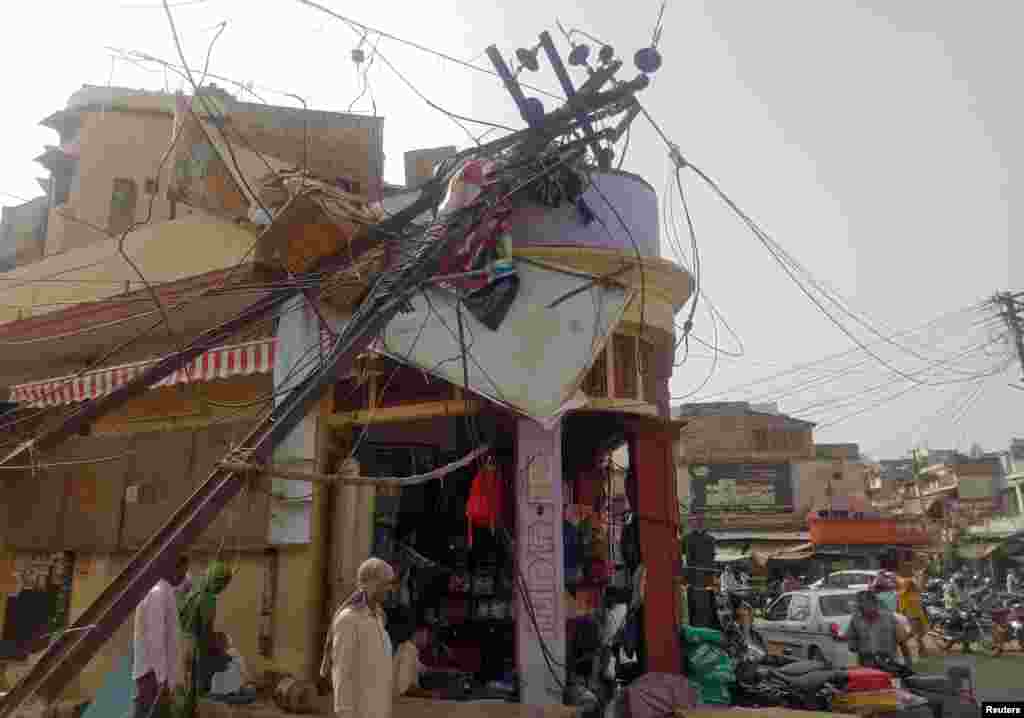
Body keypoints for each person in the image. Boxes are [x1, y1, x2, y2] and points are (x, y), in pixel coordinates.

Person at [321, 558, 399, 718]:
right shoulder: (349, 620)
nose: (390, 589)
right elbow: (341, 671)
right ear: (372, 584)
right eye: (386, 583)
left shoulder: (378, 619)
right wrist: (344, 713)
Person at [132, 554, 190, 718]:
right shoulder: (157, 592)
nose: (183, 576)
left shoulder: (165, 590)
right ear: (171, 568)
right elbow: (155, 638)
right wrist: (161, 677)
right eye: (182, 571)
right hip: (152, 674)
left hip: (156, 674)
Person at [179, 560, 234, 716]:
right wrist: (217, 652)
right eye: (223, 584)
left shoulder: (193, 590)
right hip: (192, 646)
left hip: (178, 642)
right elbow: (205, 633)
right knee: (191, 690)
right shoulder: (208, 599)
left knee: (181, 689)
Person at [845, 591, 902, 669]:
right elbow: (852, 646)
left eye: (865, 602)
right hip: (867, 664)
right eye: (859, 603)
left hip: (889, 663)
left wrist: (908, 663)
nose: (861, 606)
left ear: (875, 602)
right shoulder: (855, 620)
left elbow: (902, 641)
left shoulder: (889, 617)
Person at [896, 572, 929, 658]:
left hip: (918, 615)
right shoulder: (903, 595)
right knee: (916, 634)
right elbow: (901, 607)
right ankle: (922, 651)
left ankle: (900, 642)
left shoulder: (916, 592)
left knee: (918, 633)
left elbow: (921, 585)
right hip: (911, 616)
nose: (912, 585)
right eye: (910, 584)